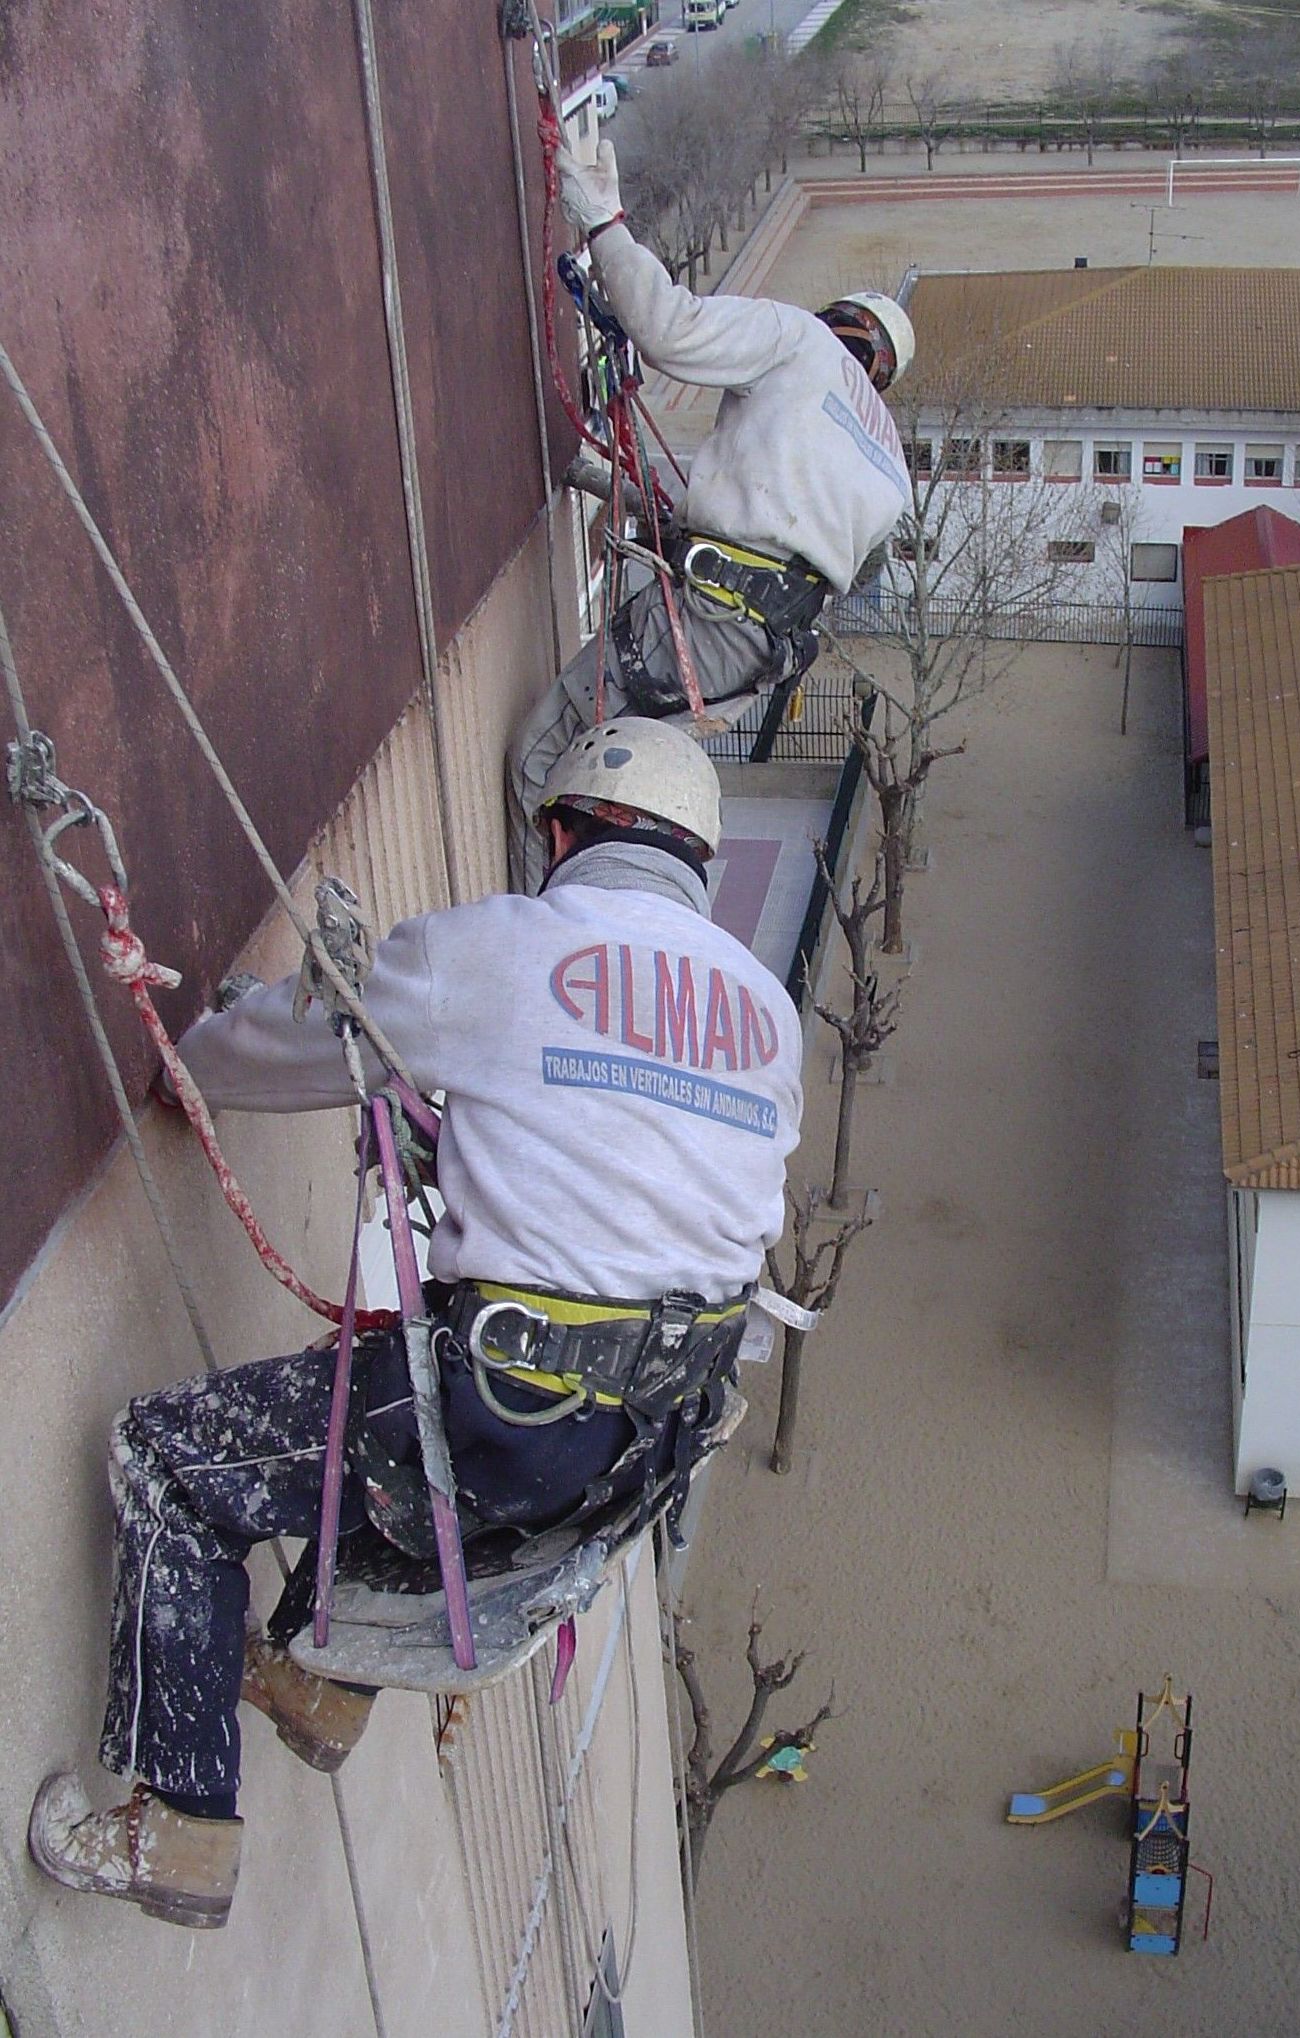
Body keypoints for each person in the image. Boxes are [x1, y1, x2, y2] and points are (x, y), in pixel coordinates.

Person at [29, 717, 803, 1930]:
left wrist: (197, 1044)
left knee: (178, 1462)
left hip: (502, 1409)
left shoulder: (508, 946)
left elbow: (284, 1053)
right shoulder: (768, 1016)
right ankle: (314, 1686)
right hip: (636, 1448)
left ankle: (178, 1825)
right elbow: (637, 1171)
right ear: (697, 863)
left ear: (560, 834)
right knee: (403, 1448)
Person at [507, 137, 916, 891]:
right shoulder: (888, 466)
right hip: (752, 662)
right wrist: (603, 480)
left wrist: (603, 223)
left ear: (843, 320)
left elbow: (669, 329)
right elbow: (762, 533)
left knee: (543, 760)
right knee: (606, 796)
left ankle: (536, 948)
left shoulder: (803, 341)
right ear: (882, 376)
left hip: (708, 623)